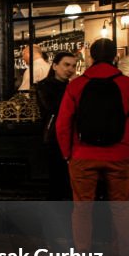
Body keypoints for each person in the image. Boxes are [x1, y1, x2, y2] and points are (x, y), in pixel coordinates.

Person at [56, 38, 129, 256]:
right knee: (120, 208)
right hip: (120, 156)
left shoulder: (76, 85)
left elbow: (63, 124)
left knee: (82, 209)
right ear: (116, 58)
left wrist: (68, 153)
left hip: (82, 155)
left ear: (91, 57)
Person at [35, 51, 78, 200]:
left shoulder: (73, 86)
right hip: (54, 137)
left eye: (73, 66)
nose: (70, 69)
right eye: (66, 65)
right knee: (57, 179)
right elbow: (54, 108)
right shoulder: (43, 86)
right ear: (54, 66)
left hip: (73, 137)